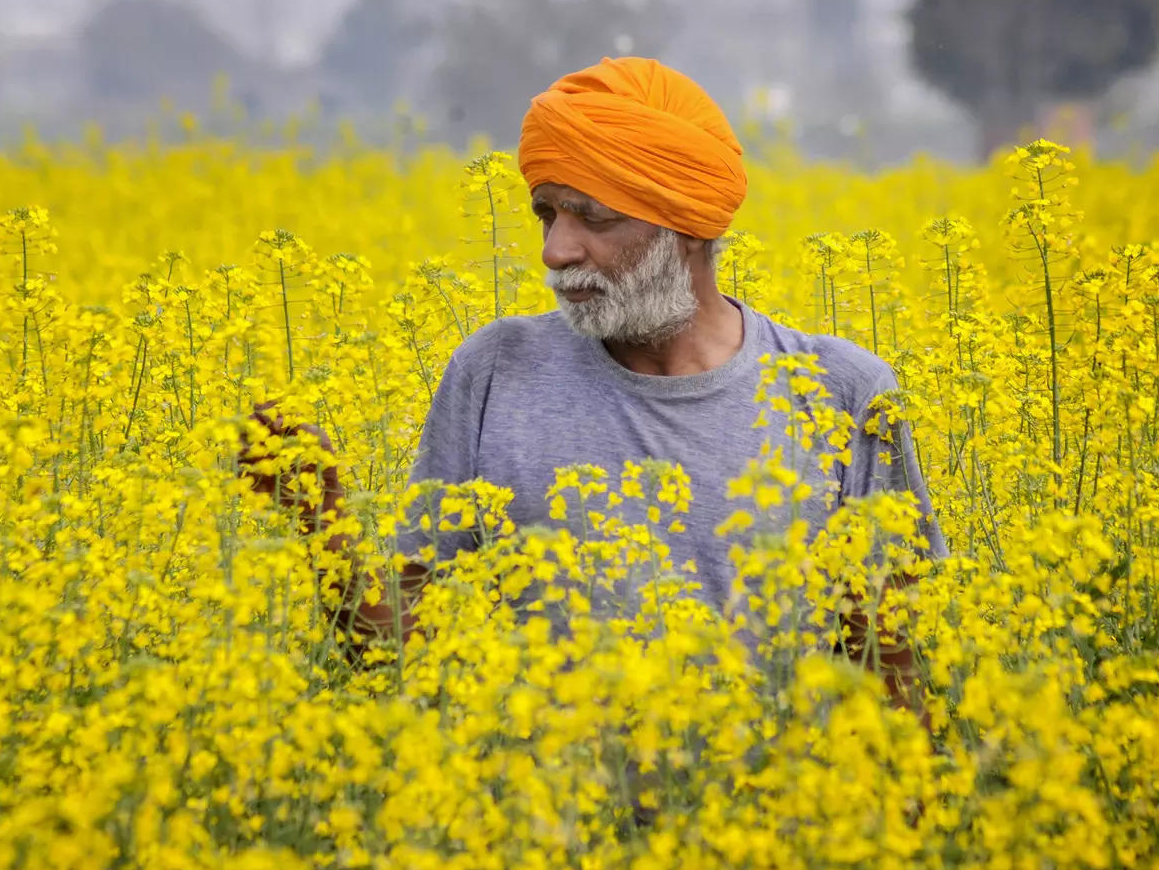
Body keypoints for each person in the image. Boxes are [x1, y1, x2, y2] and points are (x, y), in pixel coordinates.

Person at [243, 57, 946, 715]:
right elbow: (398, 658)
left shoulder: (842, 393)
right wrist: (321, 521)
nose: (556, 251)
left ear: (689, 225)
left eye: (595, 216)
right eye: (547, 214)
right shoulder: (494, 371)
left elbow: (895, 679)